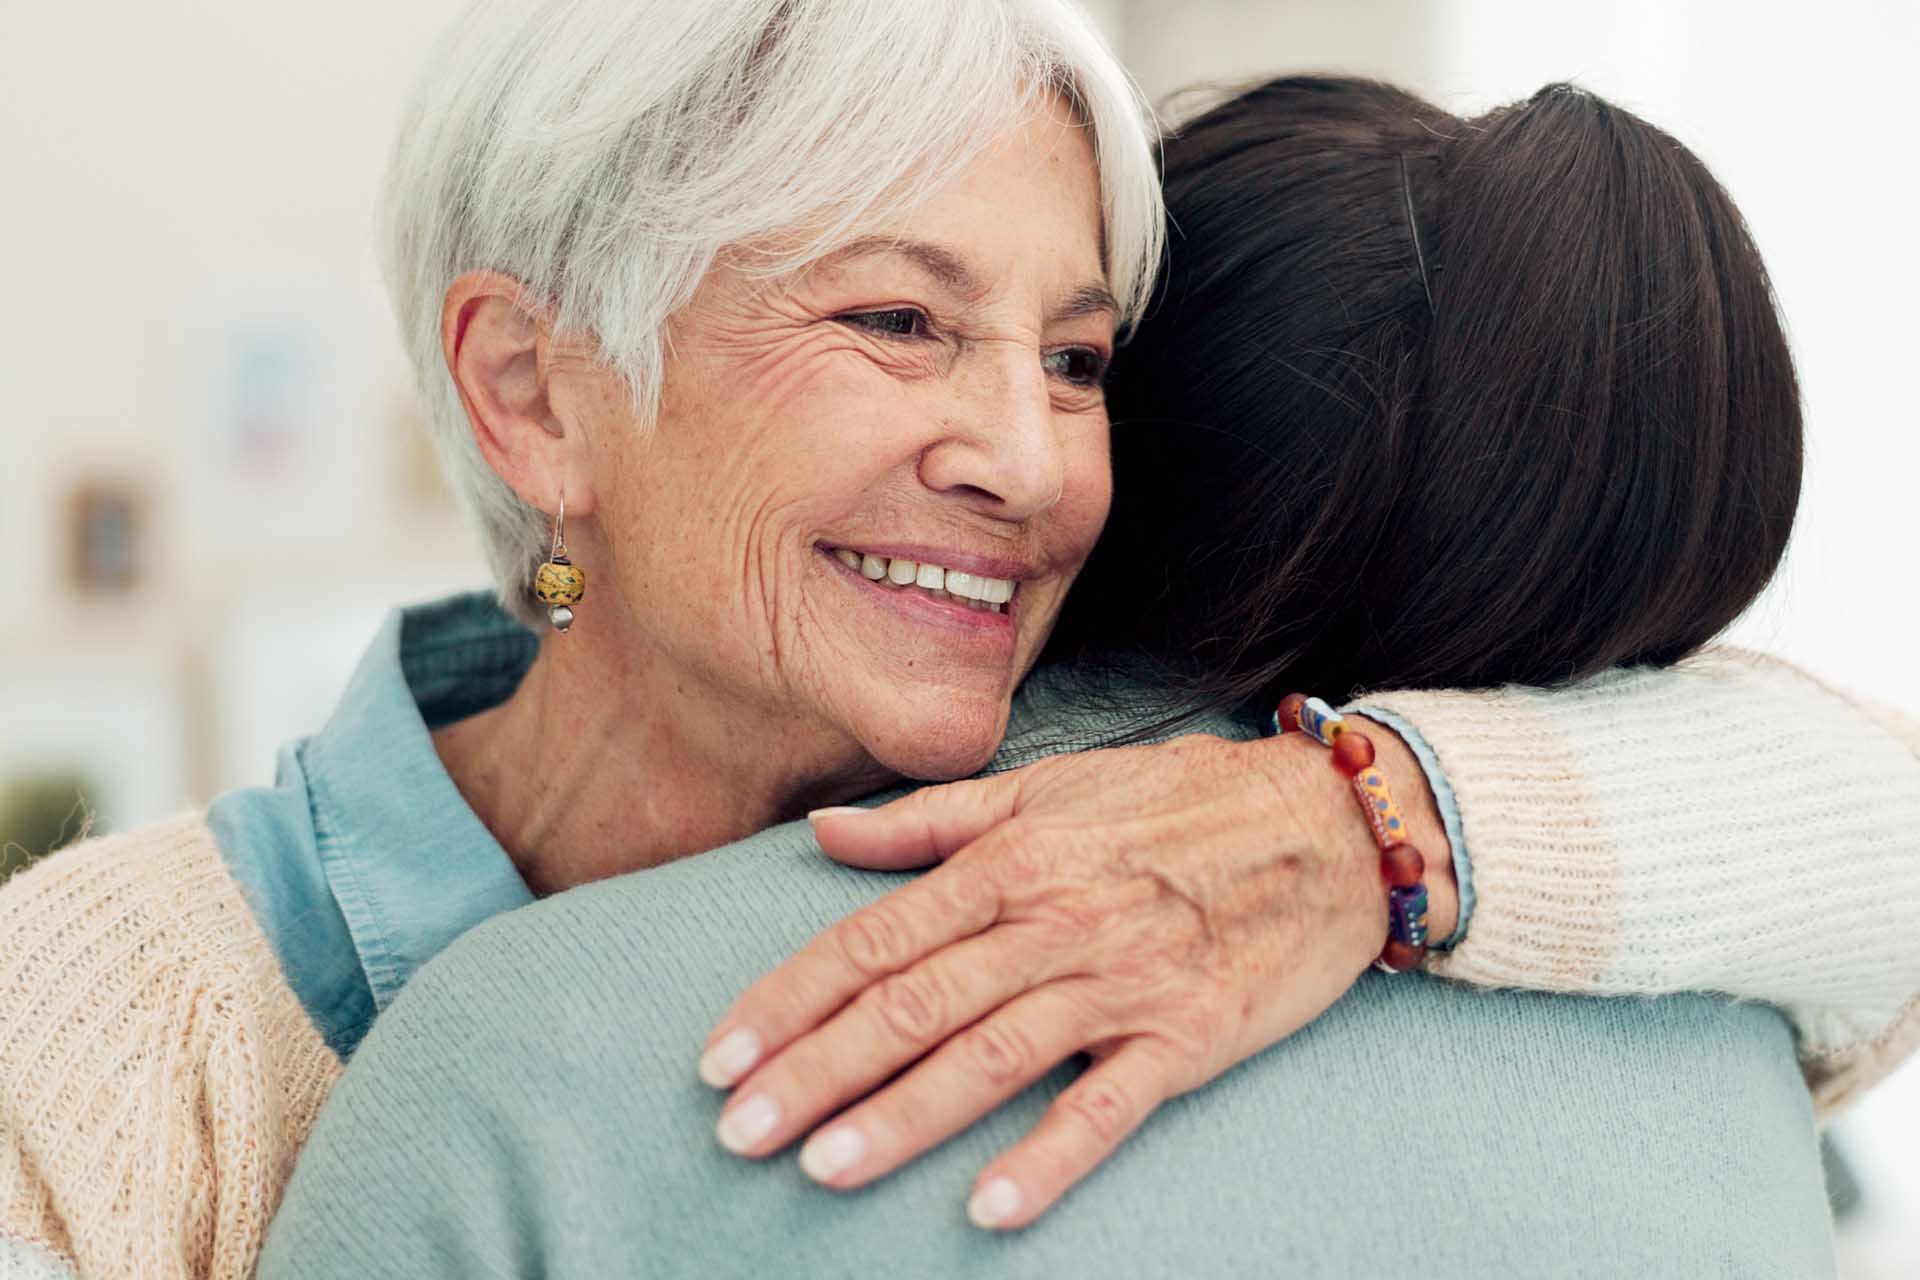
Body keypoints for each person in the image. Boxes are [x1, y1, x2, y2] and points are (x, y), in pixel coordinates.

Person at [0, 1, 1904, 1273]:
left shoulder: (1215, 858)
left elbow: (1864, 823)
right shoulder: (97, 1026)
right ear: (534, 397)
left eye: (1076, 359)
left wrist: (1374, 830)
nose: (1026, 459)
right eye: (899, 324)